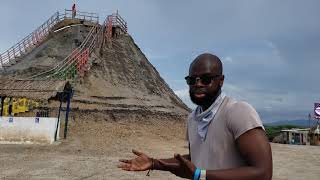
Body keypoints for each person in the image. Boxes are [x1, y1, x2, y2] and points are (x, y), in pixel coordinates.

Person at [118, 53, 272, 180]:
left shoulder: (238, 111)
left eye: (206, 79)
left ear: (221, 81)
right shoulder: (193, 119)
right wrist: (153, 163)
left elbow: (263, 173)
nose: (197, 84)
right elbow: (195, 160)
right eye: (192, 80)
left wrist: (200, 175)